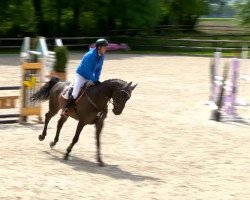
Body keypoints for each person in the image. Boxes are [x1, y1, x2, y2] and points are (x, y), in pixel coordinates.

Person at [61, 38, 109, 117]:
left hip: (90, 76)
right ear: (99, 48)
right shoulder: (89, 56)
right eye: (105, 47)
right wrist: (94, 80)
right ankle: (66, 109)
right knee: (75, 93)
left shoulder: (102, 55)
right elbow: (87, 70)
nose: (106, 49)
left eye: (106, 47)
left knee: (96, 91)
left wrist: (96, 80)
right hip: (81, 75)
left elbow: (98, 69)